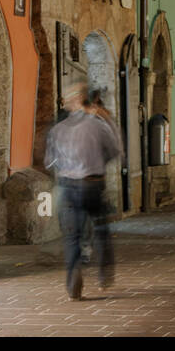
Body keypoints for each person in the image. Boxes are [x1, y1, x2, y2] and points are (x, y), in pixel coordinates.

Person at [45, 82, 122, 300]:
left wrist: (67, 168)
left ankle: (73, 283)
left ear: (69, 104)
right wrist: (98, 162)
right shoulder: (97, 125)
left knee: (72, 237)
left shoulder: (57, 130)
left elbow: (50, 161)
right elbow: (115, 149)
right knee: (100, 227)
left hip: (68, 185)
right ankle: (105, 273)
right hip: (93, 183)